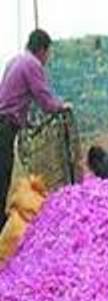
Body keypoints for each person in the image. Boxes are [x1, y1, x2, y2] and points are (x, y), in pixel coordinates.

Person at [0, 29, 70, 231]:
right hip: (5, 127)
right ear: (42, 49)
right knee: (2, 178)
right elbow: (45, 100)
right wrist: (62, 106)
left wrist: (26, 122)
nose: (47, 59)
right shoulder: (32, 64)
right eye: (48, 53)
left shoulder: (14, 61)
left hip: (4, 123)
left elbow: (15, 97)